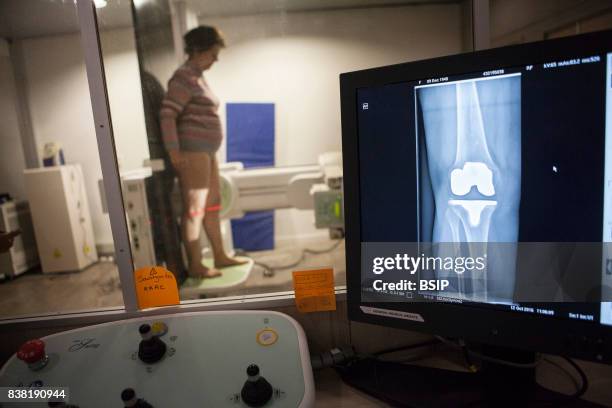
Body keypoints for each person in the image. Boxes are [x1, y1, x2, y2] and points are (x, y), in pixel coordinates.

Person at [160, 26, 245, 278]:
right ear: (197, 51)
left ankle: (220, 256)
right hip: (193, 153)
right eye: (212, 54)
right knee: (195, 209)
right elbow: (167, 114)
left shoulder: (197, 76)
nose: (216, 59)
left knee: (212, 206)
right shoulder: (182, 77)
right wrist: (174, 151)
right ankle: (196, 265)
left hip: (207, 152)